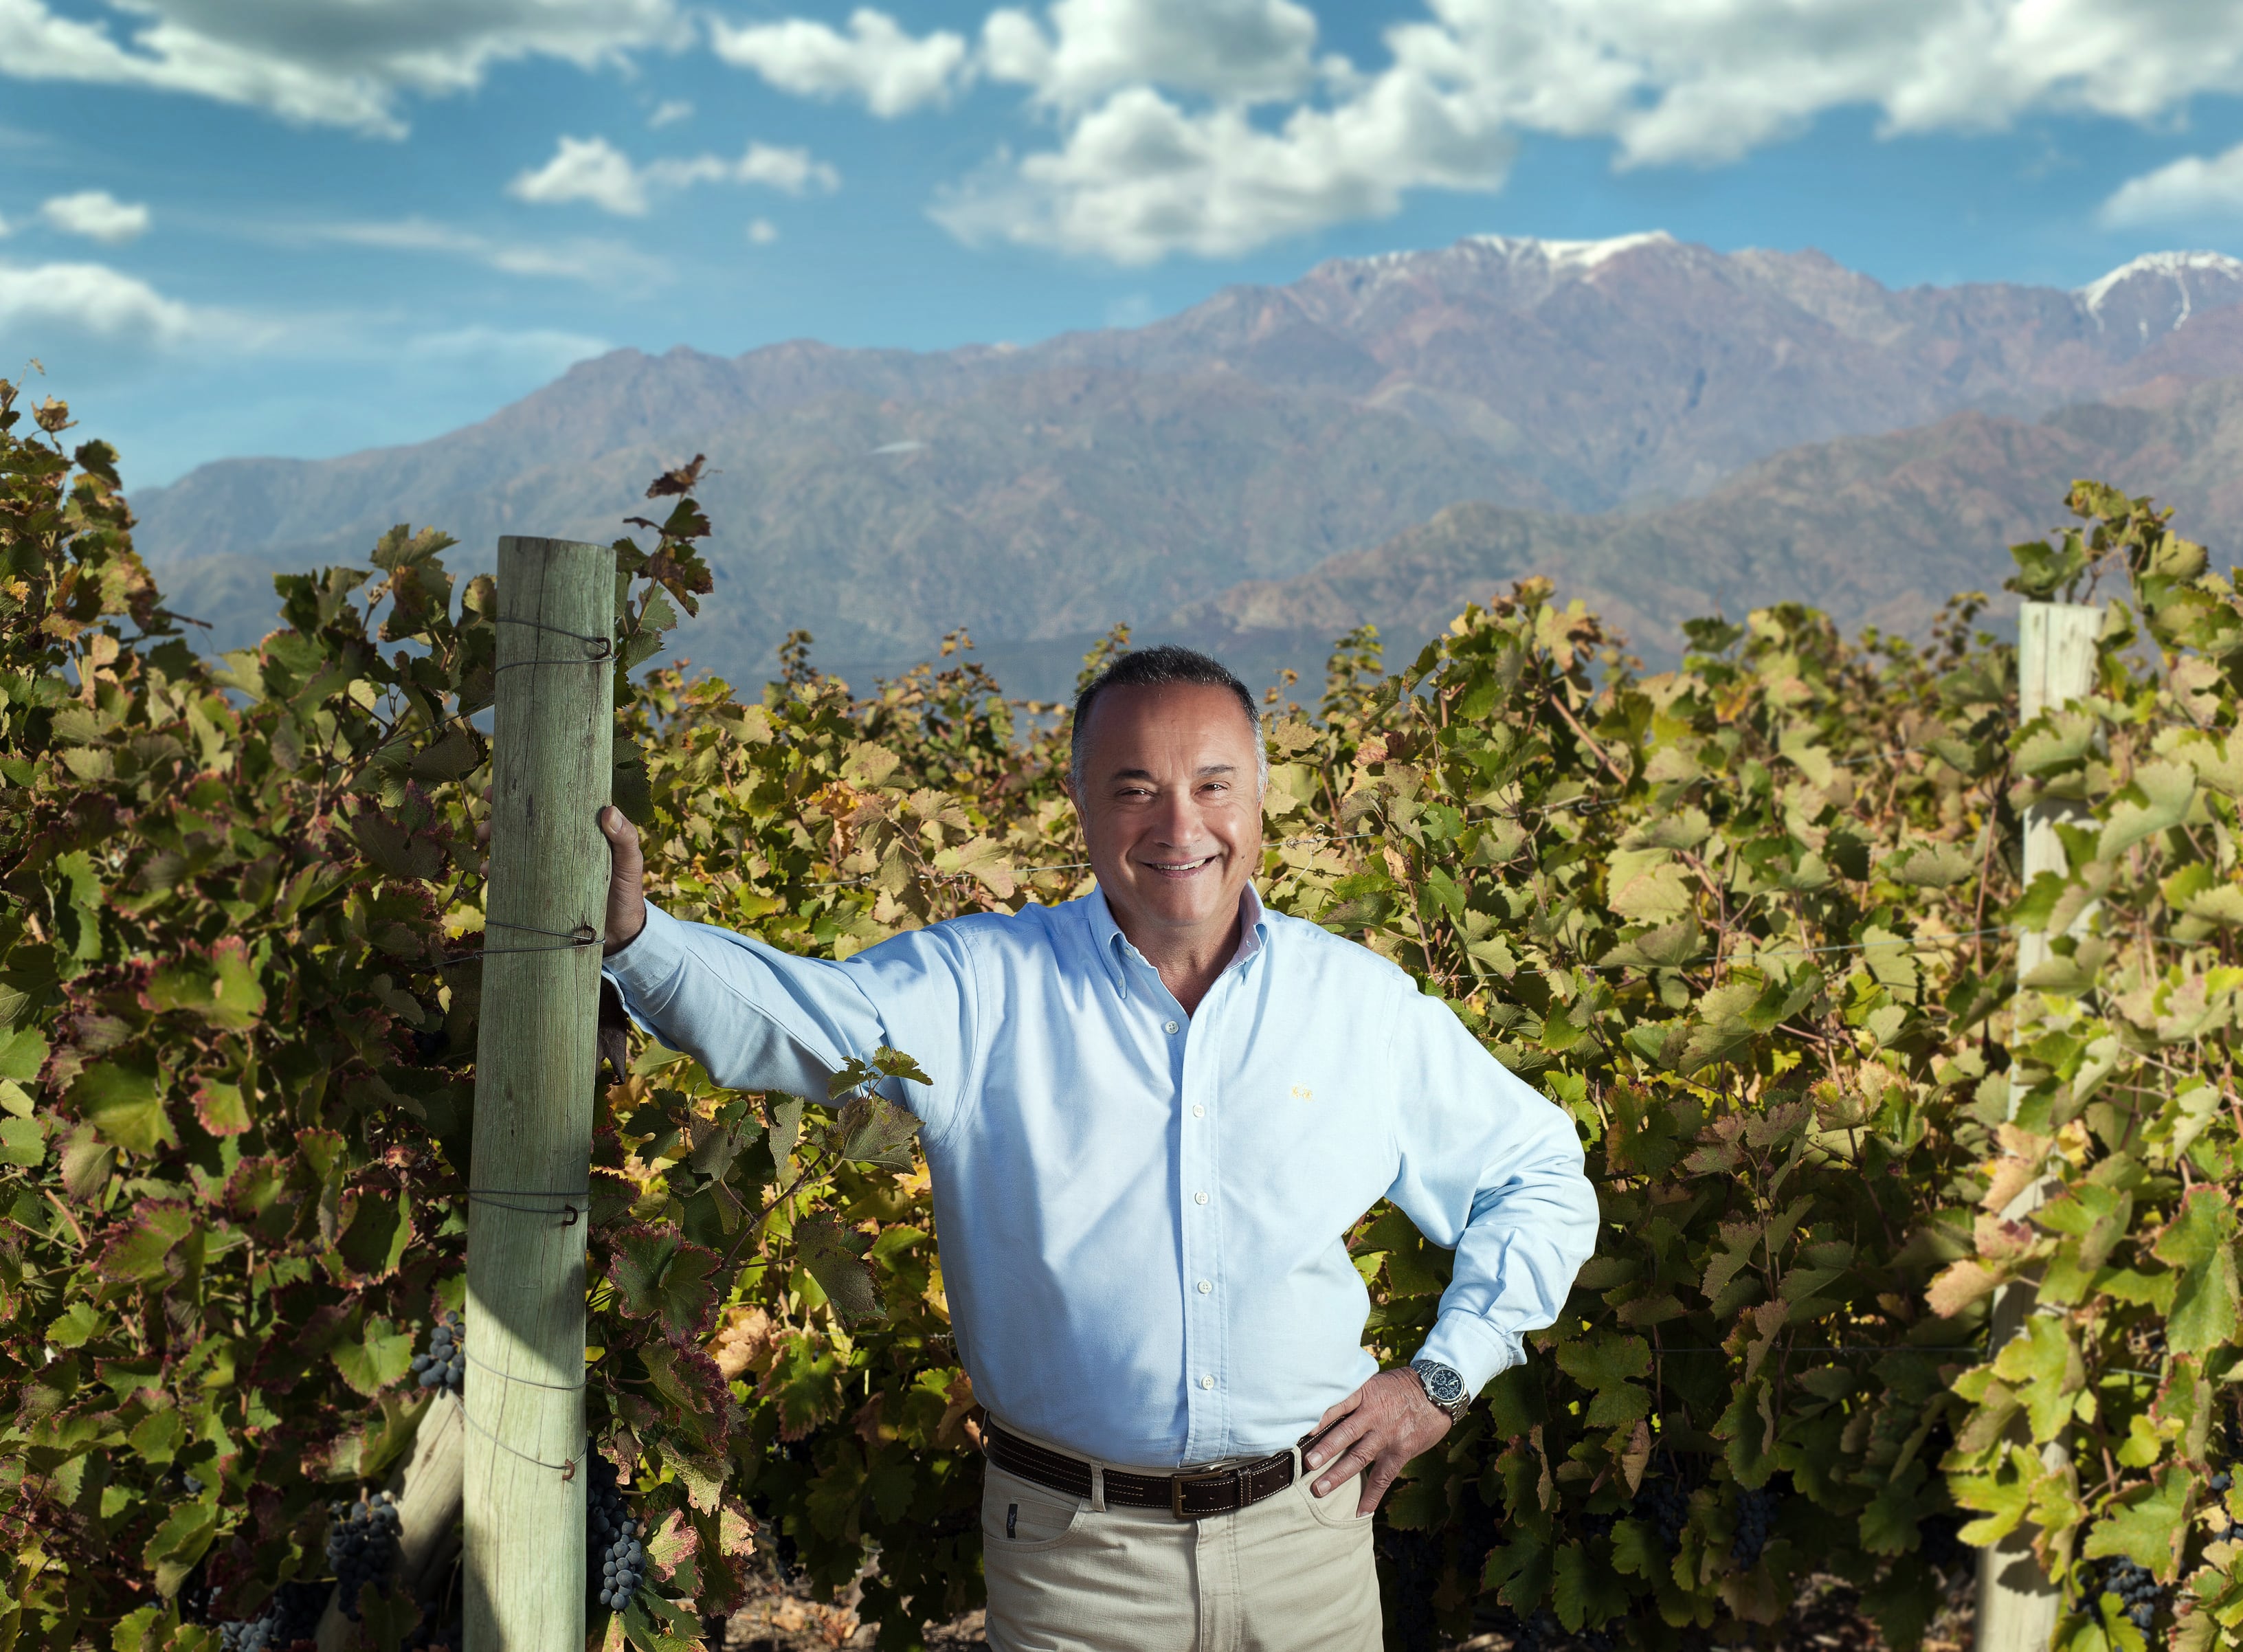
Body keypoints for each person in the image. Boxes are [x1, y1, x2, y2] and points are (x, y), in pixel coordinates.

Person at [596, 643, 1598, 1652]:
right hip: (1077, 1566)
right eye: (1135, 790)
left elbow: (1540, 1174)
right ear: (1079, 802)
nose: (1180, 825)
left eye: (1214, 786)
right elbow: (798, 1018)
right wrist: (640, 937)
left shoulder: (1359, 1007)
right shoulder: (983, 988)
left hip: (1310, 1547)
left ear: (1261, 799)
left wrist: (1442, 1379)